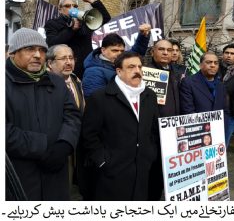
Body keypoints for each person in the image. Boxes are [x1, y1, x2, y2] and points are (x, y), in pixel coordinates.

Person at [6, 28, 81, 200]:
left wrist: (64, 145)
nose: (38, 55)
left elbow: (72, 116)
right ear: (13, 53)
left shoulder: (56, 81)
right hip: (19, 179)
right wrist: (42, 146)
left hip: (56, 178)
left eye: (42, 50)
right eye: (30, 49)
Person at [80, 51, 160, 200]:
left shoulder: (149, 95)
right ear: (119, 71)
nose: (137, 71)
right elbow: (89, 135)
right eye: (131, 67)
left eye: (139, 67)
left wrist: (150, 154)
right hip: (112, 175)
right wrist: (103, 161)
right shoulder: (100, 97)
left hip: (142, 171)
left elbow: (153, 130)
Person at [144, 39, 183, 200]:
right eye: (161, 49)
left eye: (169, 50)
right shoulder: (146, 72)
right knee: (153, 173)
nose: (166, 53)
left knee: (165, 171)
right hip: (153, 133)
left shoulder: (174, 71)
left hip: (173, 131)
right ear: (153, 51)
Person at [46, 44, 85, 193]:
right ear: (50, 63)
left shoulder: (76, 80)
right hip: (56, 146)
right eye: (63, 58)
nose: (69, 62)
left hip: (75, 145)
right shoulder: (45, 83)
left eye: (71, 58)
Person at [44, 0, 111, 78]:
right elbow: (52, 43)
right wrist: (71, 30)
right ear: (60, 9)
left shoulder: (84, 20)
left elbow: (105, 17)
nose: (72, 8)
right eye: (68, 6)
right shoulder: (52, 23)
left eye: (75, 6)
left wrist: (93, 2)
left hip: (86, 66)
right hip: (67, 67)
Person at [82, 24, 151, 97]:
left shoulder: (120, 62)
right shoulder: (93, 72)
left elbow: (136, 52)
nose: (119, 54)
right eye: (115, 50)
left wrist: (143, 36)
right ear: (103, 50)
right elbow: (95, 101)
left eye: (122, 51)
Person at [179, 51, 229, 138]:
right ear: (200, 65)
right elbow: (188, 111)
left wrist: (221, 127)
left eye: (216, 63)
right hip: (197, 134)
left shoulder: (221, 85)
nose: (213, 65)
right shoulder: (188, 82)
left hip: (217, 133)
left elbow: (225, 110)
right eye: (209, 62)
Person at [219, 43, 234, 144]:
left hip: (231, 113)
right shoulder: (215, 67)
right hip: (214, 111)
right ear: (222, 55)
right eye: (226, 53)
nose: (229, 55)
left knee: (224, 143)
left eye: (232, 53)